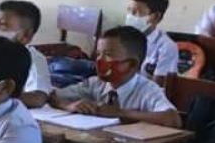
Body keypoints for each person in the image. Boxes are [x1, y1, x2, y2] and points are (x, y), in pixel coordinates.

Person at [52, 26, 180, 128]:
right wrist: (69, 105)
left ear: (132, 64)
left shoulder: (147, 90)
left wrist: (119, 112)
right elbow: (52, 96)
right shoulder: (94, 83)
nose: (99, 60)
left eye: (108, 55)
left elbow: (172, 119)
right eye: (98, 54)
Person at [125, 0, 178, 84]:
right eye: (129, 11)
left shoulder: (166, 47)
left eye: (137, 12)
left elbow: (158, 86)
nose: (130, 16)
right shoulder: (121, 38)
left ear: (156, 16)